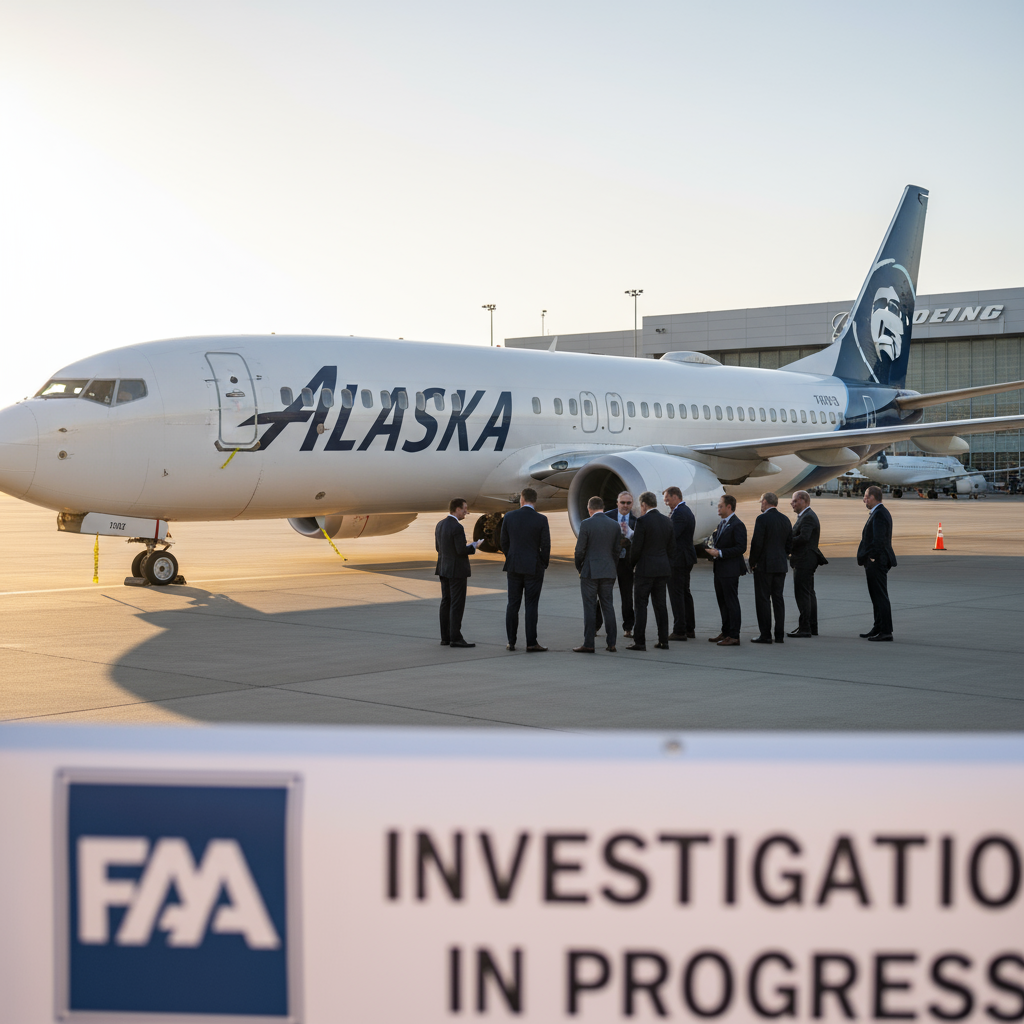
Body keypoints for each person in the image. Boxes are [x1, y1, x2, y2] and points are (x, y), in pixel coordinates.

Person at [499, 487, 551, 651]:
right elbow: (546, 545)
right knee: (531, 605)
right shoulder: (541, 519)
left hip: (514, 566)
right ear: (535, 501)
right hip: (533, 567)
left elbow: (503, 541)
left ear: (522, 500)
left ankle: (511, 641)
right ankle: (531, 642)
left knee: (512, 604)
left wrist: (511, 556)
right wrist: (543, 563)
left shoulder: (509, 516)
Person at [573, 496, 623, 653]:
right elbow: (617, 550)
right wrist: (612, 566)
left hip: (590, 571)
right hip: (608, 570)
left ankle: (589, 643)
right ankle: (612, 643)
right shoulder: (614, 525)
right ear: (603, 507)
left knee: (589, 607)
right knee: (608, 606)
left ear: (589, 509)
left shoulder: (586, 524)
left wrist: (579, 567)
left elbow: (579, 550)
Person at [627, 491, 676, 651]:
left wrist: (631, 565)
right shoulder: (667, 521)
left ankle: (640, 642)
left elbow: (636, 548)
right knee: (660, 606)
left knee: (641, 605)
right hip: (662, 569)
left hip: (645, 570)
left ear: (643, 505)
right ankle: (663, 640)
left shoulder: (642, 521)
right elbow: (672, 548)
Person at [434, 497, 482, 648]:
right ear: (457, 509)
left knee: (446, 602)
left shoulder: (440, 524)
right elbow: (461, 550)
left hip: (443, 568)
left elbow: (438, 548)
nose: (466, 512)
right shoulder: (457, 527)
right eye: (464, 509)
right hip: (457, 571)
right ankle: (455, 637)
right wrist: (474, 546)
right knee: (457, 604)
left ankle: (445, 637)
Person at [748, 492, 791, 644]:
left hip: (764, 566)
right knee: (778, 599)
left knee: (763, 600)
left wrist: (752, 562)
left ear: (765, 502)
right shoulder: (785, 519)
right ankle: (779, 635)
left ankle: (765, 634)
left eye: (761, 501)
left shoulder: (762, 519)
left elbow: (757, 543)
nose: (761, 504)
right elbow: (789, 544)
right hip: (780, 565)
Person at [857, 484, 897, 641]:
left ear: (872, 497)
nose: (864, 500)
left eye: (866, 497)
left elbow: (879, 540)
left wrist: (872, 557)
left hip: (877, 561)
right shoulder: (878, 512)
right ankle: (878, 627)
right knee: (876, 596)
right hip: (877, 560)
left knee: (880, 596)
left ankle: (886, 631)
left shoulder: (879, 514)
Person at [706, 494, 747, 646]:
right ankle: (726, 631)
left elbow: (741, 547)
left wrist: (720, 553)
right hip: (720, 570)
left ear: (729, 507)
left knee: (731, 602)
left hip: (730, 570)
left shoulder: (737, 524)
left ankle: (734, 635)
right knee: (722, 602)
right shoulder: (722, 523)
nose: (718, 508)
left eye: (720, 506)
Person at [595, 492, 637, 638]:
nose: (625, 506)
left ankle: (628, 627)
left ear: (632, 504)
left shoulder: (636, 519)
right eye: (622, 502)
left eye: (628, 503)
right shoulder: (607, 516)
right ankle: (595, 625)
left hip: (626, 563)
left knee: (627, 595)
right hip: (610, 561)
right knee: (603, 594)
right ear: (617, 503)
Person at [788, 489, 824, 638]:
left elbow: (804, 537)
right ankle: (811, 626)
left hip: (804, 559)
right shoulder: (805, 515)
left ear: (804, 501)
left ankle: (805, 628)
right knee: (809, 593)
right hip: (806, 559)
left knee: (802, 594)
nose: (792, 504)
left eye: (795, 501)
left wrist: (786, 542)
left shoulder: (808, 517)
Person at [663, 486, 697, 640]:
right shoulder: (683, 511)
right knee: (684, 593)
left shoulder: (680, 513)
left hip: (679, 559)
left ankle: (679, 630)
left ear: (675, 496)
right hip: (684, 558)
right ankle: (689, 628)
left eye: (667, 499)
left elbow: (672, 536)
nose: (666, 502)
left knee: (677, 594)